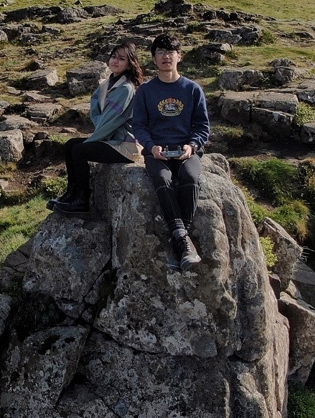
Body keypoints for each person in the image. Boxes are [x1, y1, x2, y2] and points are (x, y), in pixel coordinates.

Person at [129, 33, 211, 270]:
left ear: (179, 56)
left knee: (191, 178)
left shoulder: (193, 89)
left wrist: (192, 146)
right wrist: (150, 146)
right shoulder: (145, 91)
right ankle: (184, 244)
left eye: (170, 52)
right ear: (154, 59)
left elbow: (202, 126)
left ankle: (179, 240)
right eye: (161, 52)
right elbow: (139, 125)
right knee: (163, 179)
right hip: (157, 151)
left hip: (186, 150)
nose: (166, 56)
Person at [50, 41, 144, 214]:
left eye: (121, 58)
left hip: (125, 145)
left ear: (130, 63)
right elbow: (99, 115)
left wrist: (92, 139)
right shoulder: (107, 85)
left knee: (79, 150)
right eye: (114, 56)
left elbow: (110, 121)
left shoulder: (125, 88)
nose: (115, 61)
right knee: (71, 144)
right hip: (112, 139)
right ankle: (71, 195)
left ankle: (82, 201)